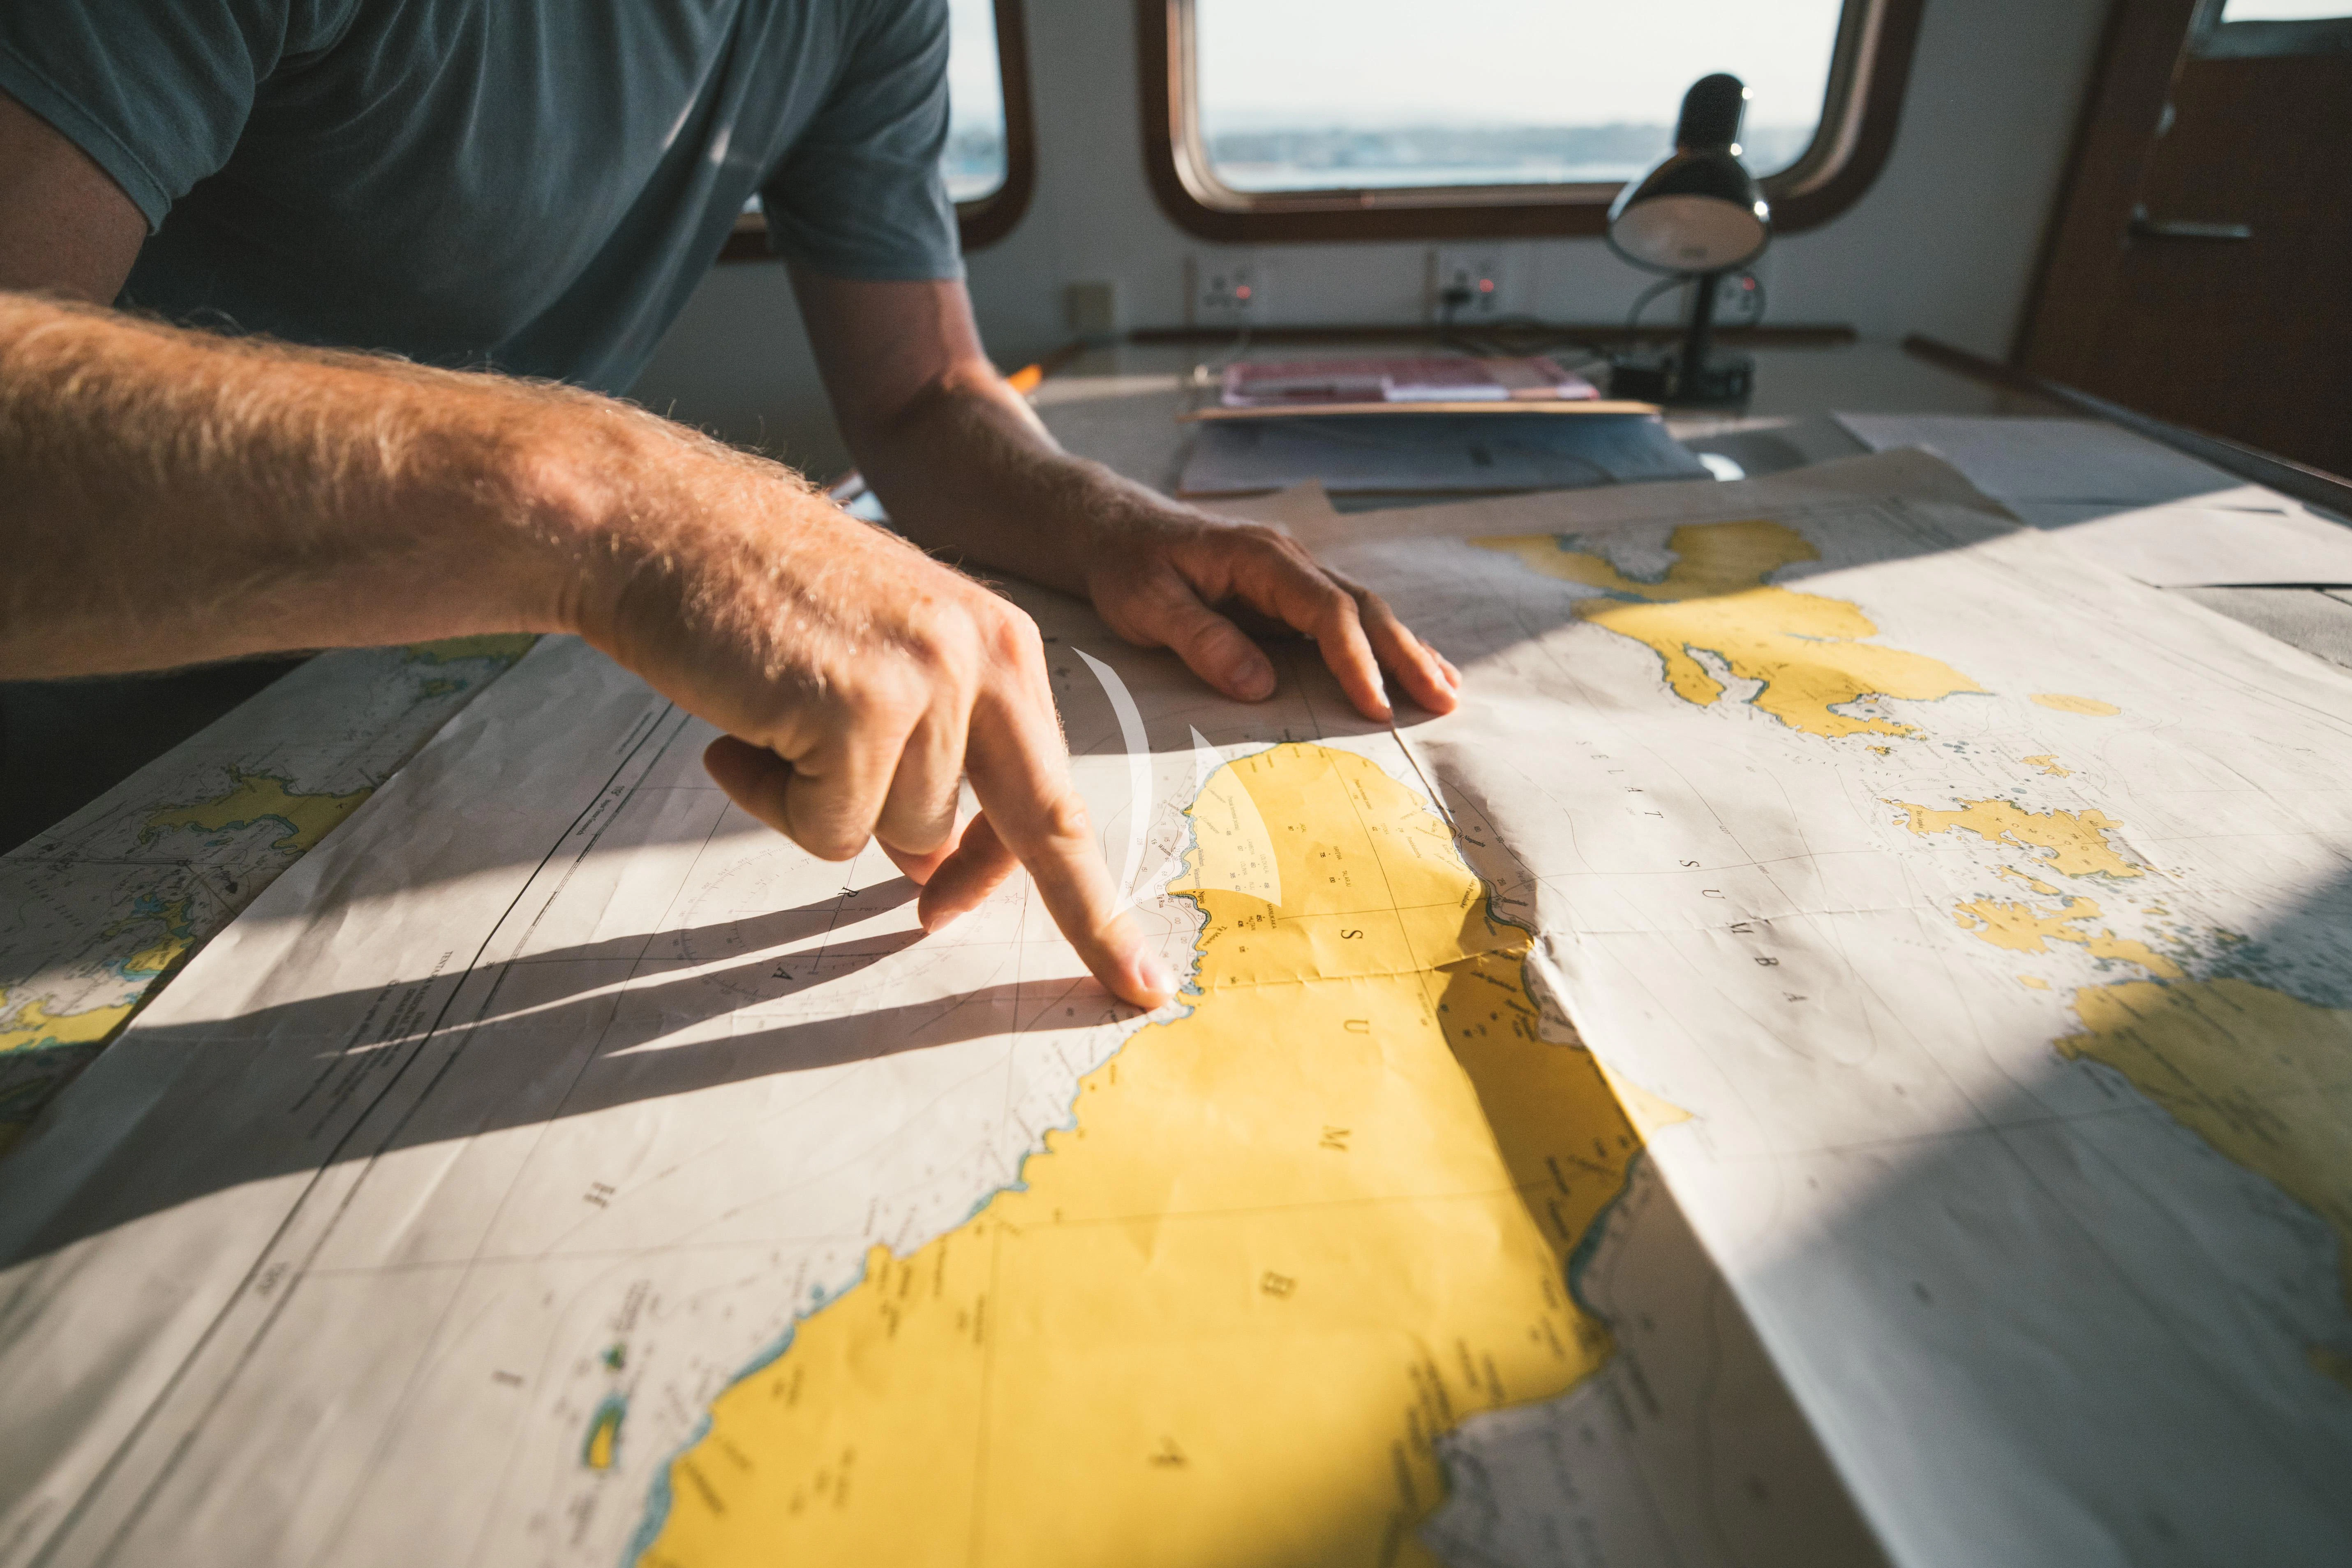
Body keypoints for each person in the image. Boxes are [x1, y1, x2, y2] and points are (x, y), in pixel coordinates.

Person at [0, 0, 1459, 1011]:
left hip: (423, 738)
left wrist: (1110, 526)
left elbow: (920, 395)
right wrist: (607, 504)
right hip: (64, 810)